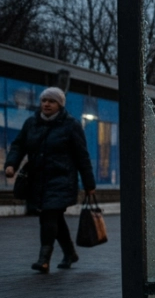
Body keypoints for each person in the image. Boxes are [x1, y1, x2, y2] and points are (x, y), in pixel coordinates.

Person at [3, 87, 95, 273]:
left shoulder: (71, 125)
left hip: (61, 180)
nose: (46, 104)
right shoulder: (31, 123)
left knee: (49, 216)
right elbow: (19, 145)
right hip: (37, 180)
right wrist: (11, 164)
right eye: (44, 100)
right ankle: (70, 253)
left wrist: (89, 185)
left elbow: (82, 157)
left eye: (51, 101)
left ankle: (44, 259)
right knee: (54, 217)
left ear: (59, 105)